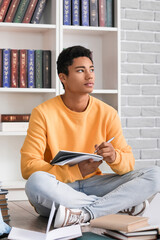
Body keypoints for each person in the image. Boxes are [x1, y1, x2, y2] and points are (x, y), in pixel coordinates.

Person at [21, 45, 160, 228]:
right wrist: (76, 171)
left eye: (91, 69)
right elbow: (28, 167)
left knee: (155, 174)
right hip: (60, 188)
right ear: (63, 78)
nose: (90, 76)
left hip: (95, 184)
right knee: (35, 183)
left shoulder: (108, 113)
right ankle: (115, 207)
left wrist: (114, 156)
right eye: (80, 70)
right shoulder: (43, 113)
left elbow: (128, 164)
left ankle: (85, 214)